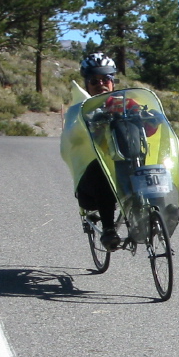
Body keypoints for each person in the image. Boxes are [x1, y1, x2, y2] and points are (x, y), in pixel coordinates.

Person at [75, 52, 122, 249]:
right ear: (86, 85)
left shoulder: (124, 103)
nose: (101, 84)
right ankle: (109, 230)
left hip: (125, 164)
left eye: (106, 79)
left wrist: (152, 116)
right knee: (101, 171)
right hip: (91, 182)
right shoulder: (79, 109)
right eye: (94, 81)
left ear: (113, 82)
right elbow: (73, 138)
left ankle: (162, 213)